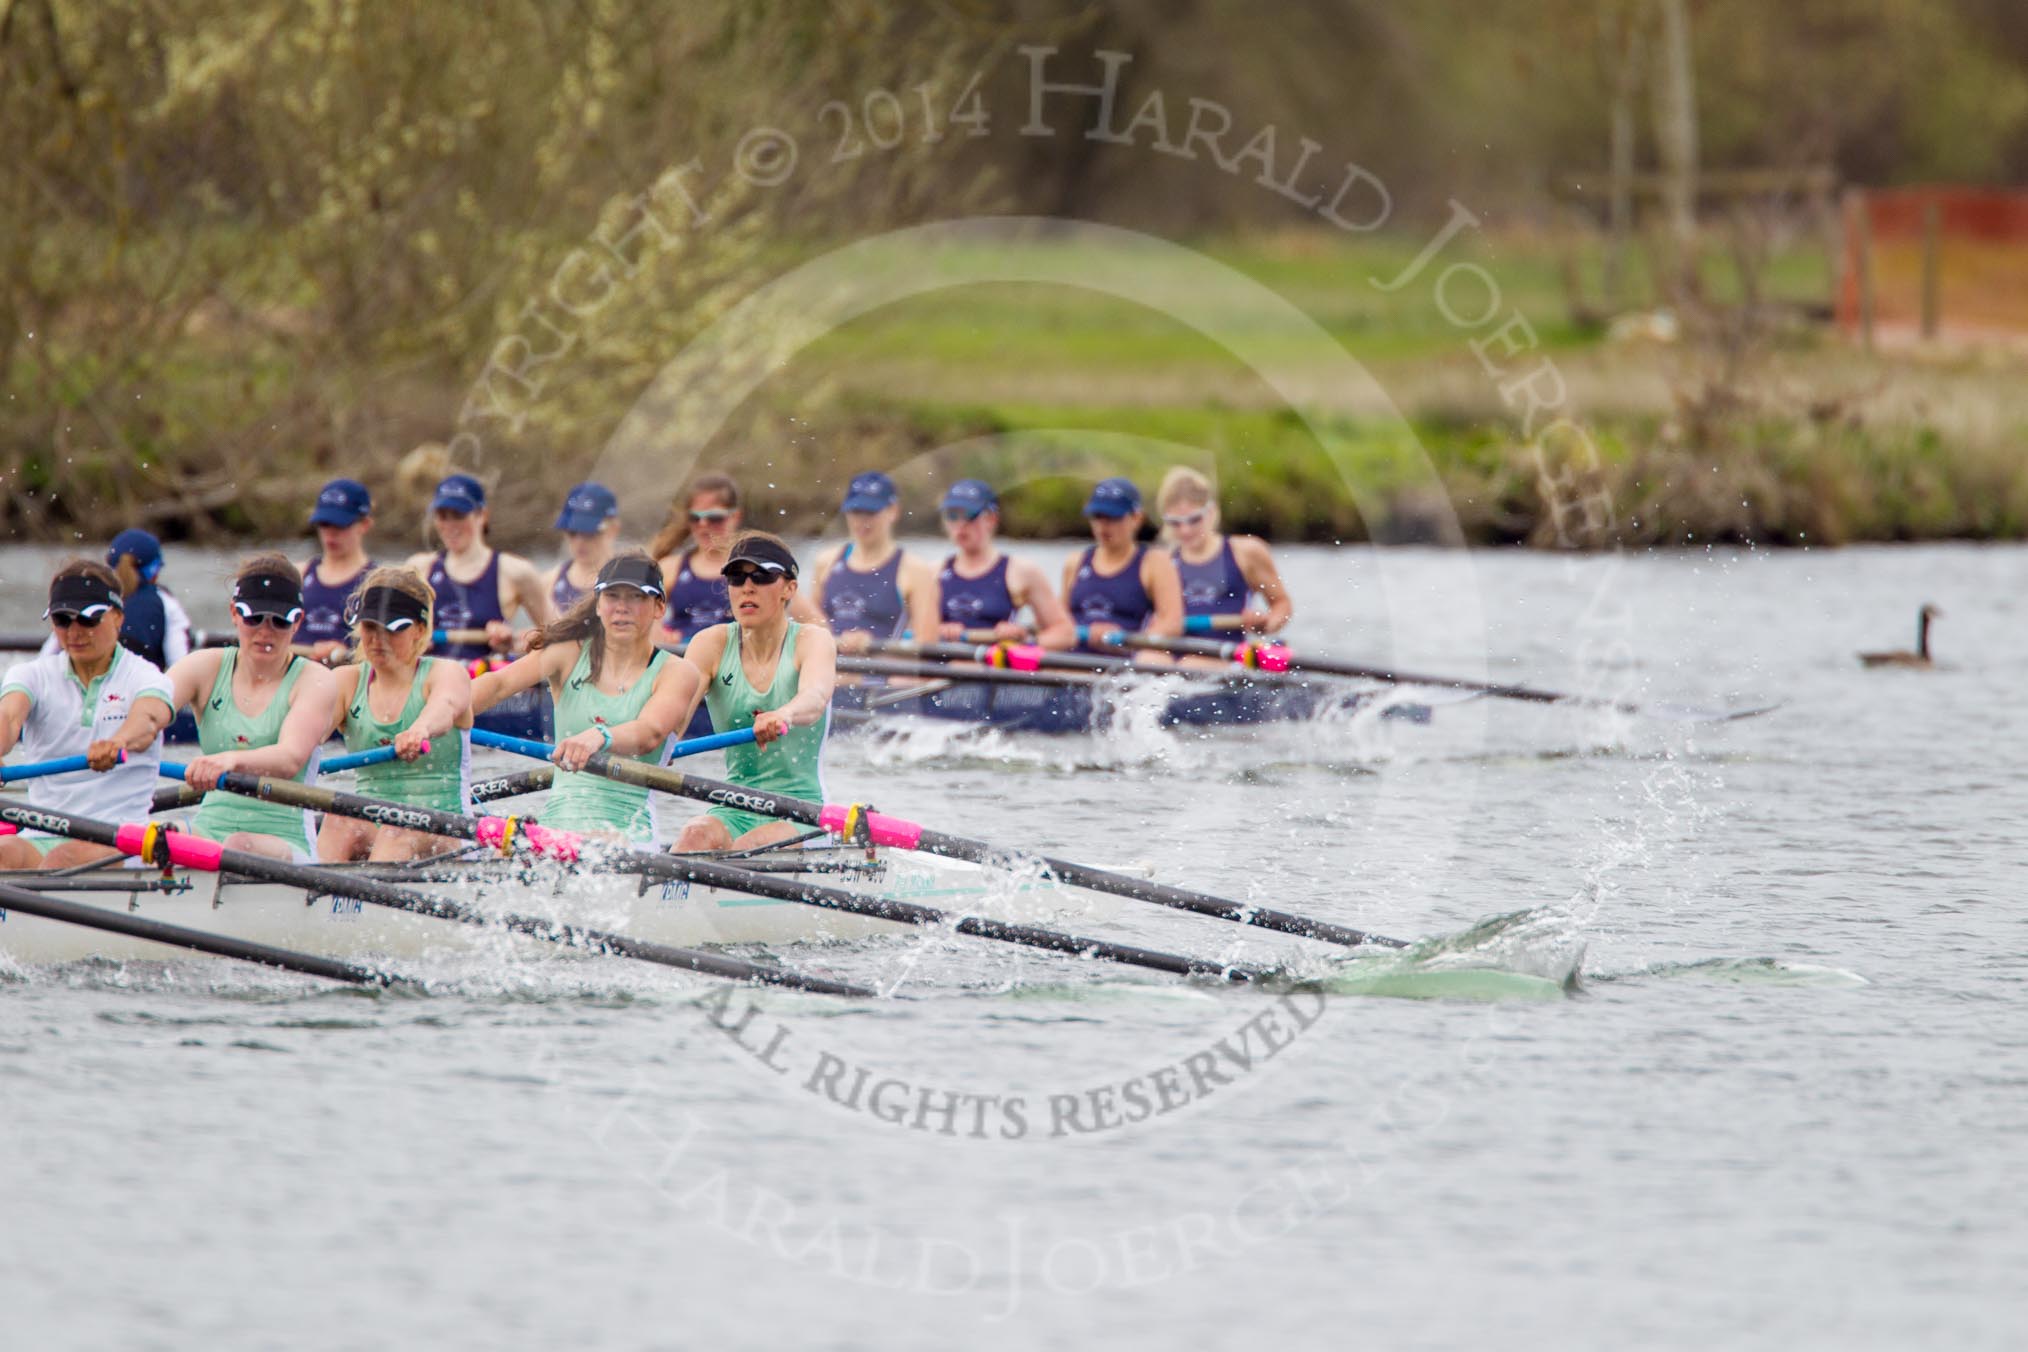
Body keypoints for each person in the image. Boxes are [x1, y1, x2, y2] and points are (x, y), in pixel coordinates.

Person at [472, 552, 698, 846]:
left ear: (659, 607)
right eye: (612, 596)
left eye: (636, 597)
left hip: (629, 833)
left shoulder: (677, 672)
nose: (622, 608)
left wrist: (599, 736)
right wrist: (431, 715)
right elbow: (498, 685)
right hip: (554, 830)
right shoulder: (567, 653)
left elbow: (650, 732)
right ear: (599, 605)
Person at [163, 557, 339, 862]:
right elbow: (147, 709)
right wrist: (123, 736)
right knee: (150, 836)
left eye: (280, 621)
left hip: (285, 842)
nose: (265, 631)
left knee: (238, 844)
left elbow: (289, 758)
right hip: (208, 830)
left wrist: (229, 760)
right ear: (234, 612)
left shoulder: (315, 680)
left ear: (298, 622)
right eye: (253, 618)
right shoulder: (203, 666)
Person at [0, 562, 174, 869]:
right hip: (43, 834)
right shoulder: (31, 675)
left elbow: (148, 721)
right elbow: (9, 718)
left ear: (118, 618)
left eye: (88, 618)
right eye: (62, 620)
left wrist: (118, 742)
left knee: (63, 859)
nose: (75, 631)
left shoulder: (146, 677)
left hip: (120, 838)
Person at [674, 532, 836, 853]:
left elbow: (815, 698)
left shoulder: (812, 640)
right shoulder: (710, 644)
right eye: (737, 578)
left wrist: (784, 714)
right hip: (733, 806)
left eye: (762, 576)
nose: (747, 587)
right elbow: (671, 719)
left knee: (750, 845)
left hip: (800, 810)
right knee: (694, 834)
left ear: (789, 588)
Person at [317, 569, 475, 863]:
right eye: (370, 628)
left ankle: (360, 901)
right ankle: (307, 899)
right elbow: (308, 735)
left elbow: (445, 706)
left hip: (444, 828)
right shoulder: (345, 682)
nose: (379, 640)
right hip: (377, 826)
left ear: (419, 629)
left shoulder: (445, 673)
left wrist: (420, 730)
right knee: (337, 819)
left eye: (392, 629)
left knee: (396, 831)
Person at [404, 473, 554, 668]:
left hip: (486, 685)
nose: (450, 525)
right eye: (442, 516)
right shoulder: (418, 567)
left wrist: (515, 642)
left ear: (482, 515)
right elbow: (391, 631)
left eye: (458, 515)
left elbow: (559, 635)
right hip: (429, 683)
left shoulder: (516, 572)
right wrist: (411, 640)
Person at [933, 479, 1076, 648]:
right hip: (942, 666)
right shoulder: (932, 572)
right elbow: (911, 632)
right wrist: (934, 630)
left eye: (969, 515)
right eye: (952, 515)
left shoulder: (1021, 571)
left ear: (991, 519)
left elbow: (1066, 633)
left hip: (995, 667)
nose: (960, 525)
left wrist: (1023, 642)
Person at [806, 470, 938, 652]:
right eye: (855, 511)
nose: (862, 520)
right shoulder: (825, 562)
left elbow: (927, 647)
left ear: (893, 511)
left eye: (870, 512)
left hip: (884, 674)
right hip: (829, 673)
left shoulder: (915, 571)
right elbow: (808, 628)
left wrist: (872, 645)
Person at [1157, 467, 1293, 634]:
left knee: (1191, 662)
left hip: (1225, 652)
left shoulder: (1247, 552)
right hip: (1174, 651)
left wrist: (1265, 623)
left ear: (1211, 512)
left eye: (1194, 519)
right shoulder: (1162, 562)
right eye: (1175, 522)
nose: (1185, 530)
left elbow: (1281, 604)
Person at [1063, 477, 1184, 653]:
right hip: (1073, 658)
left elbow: (1172, 624)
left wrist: (1129, 641)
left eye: (1113, 518)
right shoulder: (1075, 562)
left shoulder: (1154, 563)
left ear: (1137, 518)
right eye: (1097, 517)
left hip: (1125, 662)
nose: (1103, 526)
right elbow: (1058, 622)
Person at [650, 471, 741, 642]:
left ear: (735, 517)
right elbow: (641, 621)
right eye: (695, 518)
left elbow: (806, 621)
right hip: (680, 657)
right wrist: (658, 634)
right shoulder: (669, 568)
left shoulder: (756, 570)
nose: (703, 525)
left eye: (714, 518)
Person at [301, 478, 376, 663]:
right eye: (325, 524)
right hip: (298, 677)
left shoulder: (376, 581)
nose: (330, 534)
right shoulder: (299, 574)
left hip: (347, 678)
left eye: (341, 525)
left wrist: (347, 653)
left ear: (364, 524)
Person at [104, 529, 194, 672]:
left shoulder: (90, 595)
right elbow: (180, 666)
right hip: (143, 690)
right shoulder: (165, 602)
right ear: (155, 571)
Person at [543, 481, 621, 614]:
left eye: (588, 533)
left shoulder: (633, 580)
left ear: (613, 530)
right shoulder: (549, 582)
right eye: (572, 533)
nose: (579, 542)